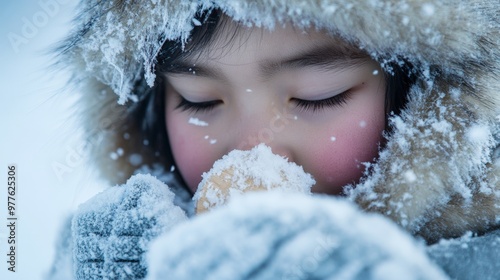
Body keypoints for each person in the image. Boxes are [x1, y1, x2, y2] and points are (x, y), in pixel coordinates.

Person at [47, 1, 500, 279]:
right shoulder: (133, 240)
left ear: (422, 99)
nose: (251, 151)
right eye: (198, 101)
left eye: (317, 97)